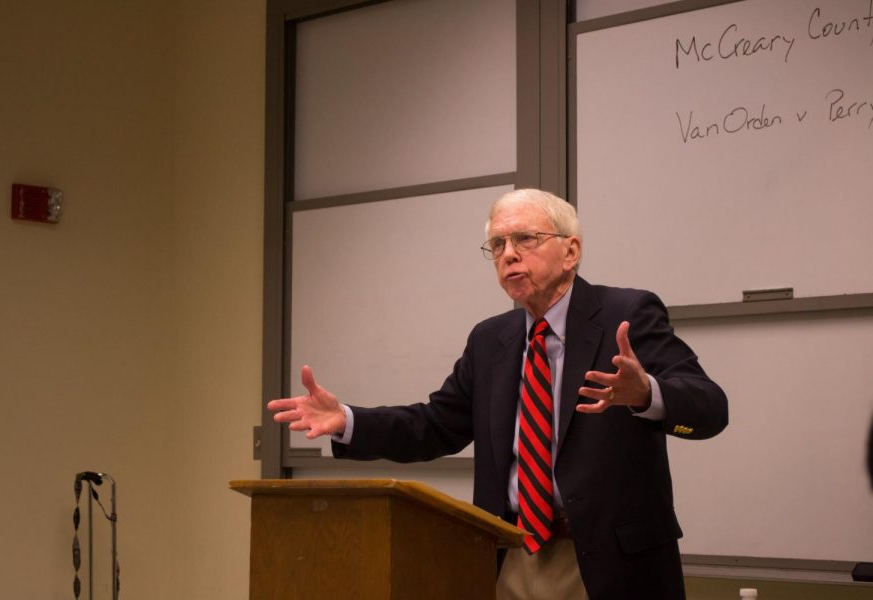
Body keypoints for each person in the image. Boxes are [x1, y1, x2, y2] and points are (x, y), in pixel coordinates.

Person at [268, 188, 728, 599]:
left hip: (611, 562)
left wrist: (647, 393)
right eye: (498, 245)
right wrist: (348, 421)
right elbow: (437, 425)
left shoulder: (626, 313)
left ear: (571, 251)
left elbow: (710, 408)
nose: (509, 255)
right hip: (509, 554)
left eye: (525, 239)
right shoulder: (492, 339)